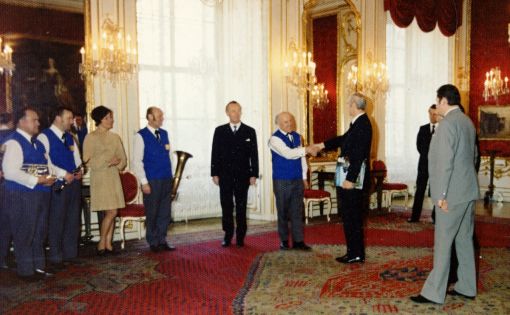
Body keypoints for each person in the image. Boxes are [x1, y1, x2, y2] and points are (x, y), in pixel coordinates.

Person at [410, 84, 479, 304]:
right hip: (467, 191)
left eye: (437, 101)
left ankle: (433, 292)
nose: (436, 105)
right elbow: (474, 157)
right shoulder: (467, 122)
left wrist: (440, 196)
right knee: (464, 241)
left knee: (443, 243)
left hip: (450, 194)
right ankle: (467, 286)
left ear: (443, 101)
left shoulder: (447, 124)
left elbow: (444, 164)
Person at [316, 93, 372, 264]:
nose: (348, 107)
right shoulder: (358, 123)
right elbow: (343, 139)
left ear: (355, 105)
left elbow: (360, 155)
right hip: (350, 178)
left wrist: (351, 179)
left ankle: (355, 254)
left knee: (352, 217)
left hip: (352, 180)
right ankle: (354, 252)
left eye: (349, 104)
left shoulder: (362, 124)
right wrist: (321, 145)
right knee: (349, 217)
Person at [1, 107, 57, 280]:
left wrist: (54, 176)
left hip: (40, 194)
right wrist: (38, 180)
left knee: (39, 232)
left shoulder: (38, 144)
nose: (38, 123)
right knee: (25, 233)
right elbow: (10, 172)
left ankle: (38, 268)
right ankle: (26, 271)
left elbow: (48, 166)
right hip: (20, 195)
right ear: (22, 121)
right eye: (34, 120)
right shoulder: (13, 142)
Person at [37, 106, 82, 269]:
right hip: (57, 185)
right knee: (57, 220)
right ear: (58, 118)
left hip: (73, 185)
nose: (72, 121)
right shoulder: (44, 137)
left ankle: (70, 254)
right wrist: (64, 174)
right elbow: (45, 163)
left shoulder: (70, 137)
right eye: (69, 118)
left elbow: (77, 159)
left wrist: (79, 171)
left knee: (72, 219)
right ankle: (56, 256)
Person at [211, 101, 259, 247]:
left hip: (243, 176)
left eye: (238, 110)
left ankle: (240, 236)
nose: (236, 113)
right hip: (224, 175)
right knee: (226, 205)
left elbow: (254, 155)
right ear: (227, 113)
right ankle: (228, 234)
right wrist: (214, 173)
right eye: (233, 111)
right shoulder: (219, 131)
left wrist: (254, 174)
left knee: (241, 206)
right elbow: (215, 153)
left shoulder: (249, 131)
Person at [269, 112, 317, 251]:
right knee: (283, 211)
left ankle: (298, 241)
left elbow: (302, 159)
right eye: (285, 122)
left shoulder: (297, 137)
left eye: (290, 120)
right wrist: (307, 149)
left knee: (297, 211)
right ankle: (284, 240)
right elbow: (288, 153)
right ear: (278, 124)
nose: (289, 123)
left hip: (297, 179)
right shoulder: (274, 139)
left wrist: (304, 177)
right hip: (282, 179)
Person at [82, 106, 127, 255]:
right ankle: (102, 241)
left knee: (112, 210)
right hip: (100, 178)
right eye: (108, 117)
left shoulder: (115, 138)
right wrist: (107, 161)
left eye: (111, 117)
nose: (111, 120)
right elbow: (87, 160)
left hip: (113, 177)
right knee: (111, 211)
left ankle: (108, 243)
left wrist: (117, 162)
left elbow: (123, 160)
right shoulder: (91, 137)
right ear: (100, 120)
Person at [132, 107, 175, 253]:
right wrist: (144, 182)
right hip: (152, 180)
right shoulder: (141, 136)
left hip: (166, 178)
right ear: (150, 117)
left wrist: (172, 176)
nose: (162, 118)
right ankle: (153, 241)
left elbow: (169, 157)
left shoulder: (164, 134)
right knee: (153, 211)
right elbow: (137, 161)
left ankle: (162, 240)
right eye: (159, 116)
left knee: (165, 211)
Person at [408, 105, 438, 223]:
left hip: (437, 167)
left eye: (435, 114)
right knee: (419, 191)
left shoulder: (443, 130)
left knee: (436, 192)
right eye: (430, 113)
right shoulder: (423, 129)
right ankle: (415, 217)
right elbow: (419, 147)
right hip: (423, 165)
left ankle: (436, 217)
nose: (432, 116)